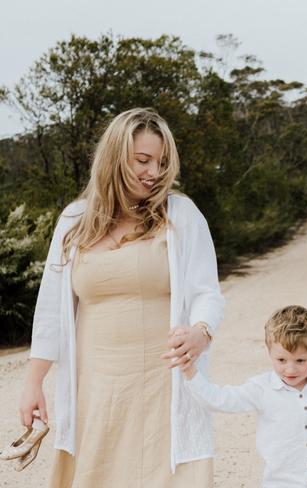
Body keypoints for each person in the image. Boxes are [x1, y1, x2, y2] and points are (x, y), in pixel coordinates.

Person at [18, 108, 225, 487]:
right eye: (142, 160)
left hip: (164, 385)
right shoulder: (73, 222)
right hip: (95, 388)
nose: (154, 172)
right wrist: (34, 383)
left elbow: (206, 293)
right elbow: (50, 310)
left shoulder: (181, 215)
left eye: (162, 162)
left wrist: (201, 332)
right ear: (114, 158)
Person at [181, 305, 307, 487]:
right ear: (269, 351)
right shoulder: (261, 389)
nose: (290, 369)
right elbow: (220, 400)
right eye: (281, 359)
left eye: (300, 360)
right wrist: (191, 373)